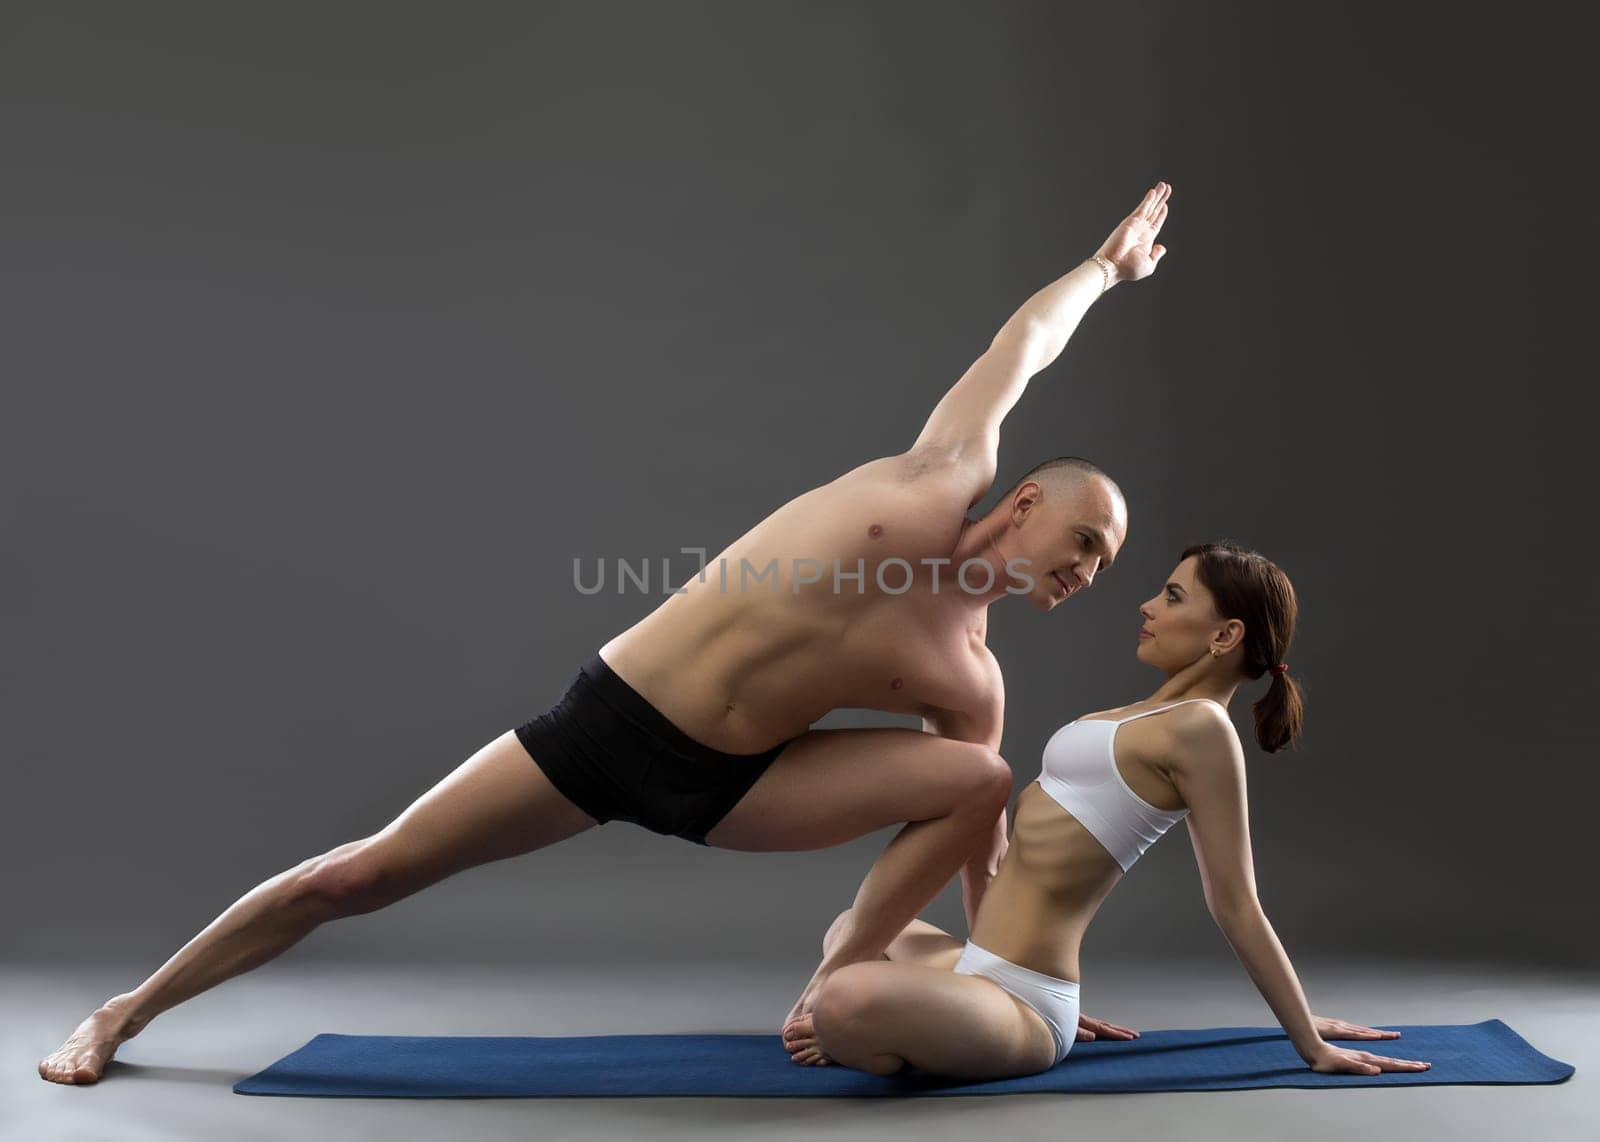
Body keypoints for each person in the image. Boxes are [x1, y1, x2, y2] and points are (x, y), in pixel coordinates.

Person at [40, 183, 1176, 1085]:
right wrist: (1103, 270)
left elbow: (979, 853)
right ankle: (123, 1009)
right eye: (1082, 541)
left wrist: (1015, 984)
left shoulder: (969, 675)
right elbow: (1022, 345)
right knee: (355, 875)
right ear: (1025, 502)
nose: (1083, 573)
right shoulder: (936, 476)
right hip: (605, 729)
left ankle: (837, 969)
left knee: (979, 771)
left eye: (1103, 568)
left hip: (738, 786)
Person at [782, 543, 1434, 1079]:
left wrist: (1306, 1036)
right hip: (975, 970)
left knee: (843, 996)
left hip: (1022, 1003)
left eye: (1174, 597)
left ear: (1226, 634)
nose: (1148, 606)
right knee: (853, 928)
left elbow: (1236, 901)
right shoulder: (1143, 713)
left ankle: (908, 1029)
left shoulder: (1201, 732)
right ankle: (922, 1019)